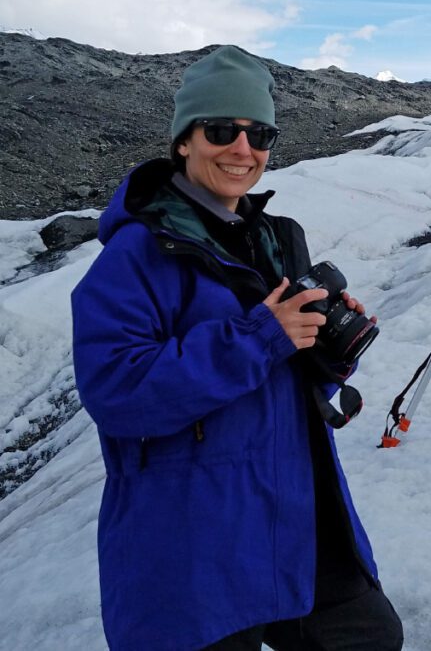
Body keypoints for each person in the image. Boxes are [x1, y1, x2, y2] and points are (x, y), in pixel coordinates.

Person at [71, 46, 403, 651]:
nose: (242, 149)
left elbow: (283, 381)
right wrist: (262, 336)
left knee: (369, 636)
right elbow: (118, 395)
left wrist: (324, 350)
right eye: (222, 129)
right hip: (192, 535)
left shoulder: (273, 240)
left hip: (292, 511)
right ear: (183, 141)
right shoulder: (135, 257)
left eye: (260, 133)